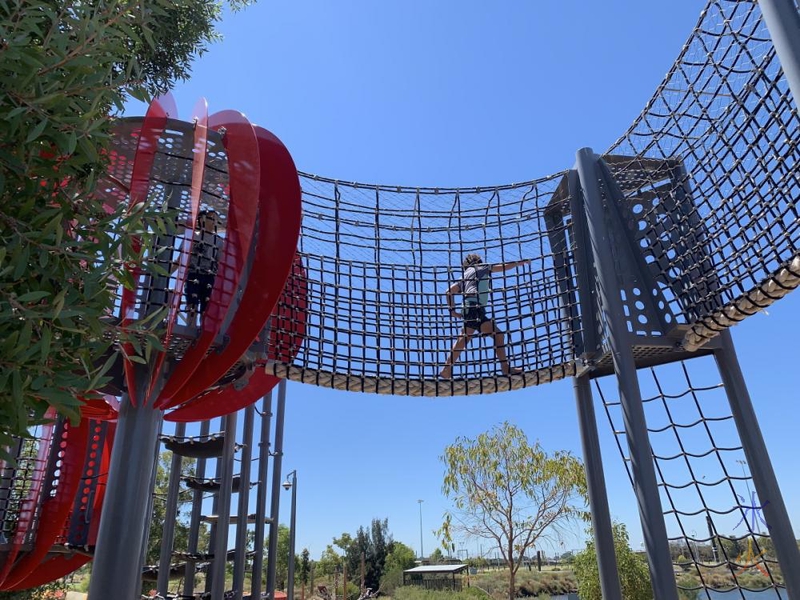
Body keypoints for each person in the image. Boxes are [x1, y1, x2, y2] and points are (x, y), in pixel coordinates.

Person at [439, 253, 530, 379]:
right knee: (495, 335)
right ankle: (505, 368)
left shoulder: (465, 277)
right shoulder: (480, 267)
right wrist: (517, 263)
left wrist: (452, 311)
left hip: (469, 308)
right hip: (474, 308)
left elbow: (449, 292)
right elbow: (502, 267)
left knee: (466, 339)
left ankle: (446, 369)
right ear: (478, 261)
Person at [185, 209, 223, 324]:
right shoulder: (192, 237)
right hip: (193, 273)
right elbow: (183, 258)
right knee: (192, 304)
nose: (214, 222)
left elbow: (220, 261)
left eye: (216, 220)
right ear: (202, 220)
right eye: (212, 218)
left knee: (206, 307)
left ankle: (203, 330)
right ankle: (190, 327)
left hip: (209, 276)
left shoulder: (218, 241)